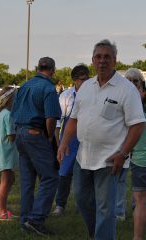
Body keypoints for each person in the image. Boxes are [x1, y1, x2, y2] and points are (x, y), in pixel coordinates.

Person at [57, 39, 145, 240]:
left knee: (106, 209)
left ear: (115, 60)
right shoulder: (86, 87)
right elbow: (74, 119)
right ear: (92, 61)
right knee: (81, 200)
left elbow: (138, 125)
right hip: (84, 157)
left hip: (110, 159)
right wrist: (63, 143)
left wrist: (123, 153)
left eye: (107, 57)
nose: (102, 61)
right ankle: (97, 234)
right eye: (98, 57)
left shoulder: (126, 89)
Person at [11, 57, 61, 236]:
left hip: (20, 133)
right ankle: (36, 219)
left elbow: (13, 111)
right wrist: (49, 137)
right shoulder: (48, 88)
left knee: (27, 180)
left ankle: (25, 219)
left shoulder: (25, 86)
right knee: (50, 177)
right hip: (35, 134)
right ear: (53, 69)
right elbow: (51, 118)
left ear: (37, 68)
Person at [52, 64, 89, 216]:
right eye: (82, 80)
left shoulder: (93, 94)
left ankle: (85, 205)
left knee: (87, 175)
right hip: (70, 141)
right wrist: (59, 144)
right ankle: (60, 205)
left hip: (87, 140)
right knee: (64, 174)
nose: (85, 82)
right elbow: (58, 123)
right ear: (74, 80)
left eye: (87, 79)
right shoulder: (66, 96)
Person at [124, 68, 146, 240]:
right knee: (140, 202)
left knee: (140, 202)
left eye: (135, 82)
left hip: (139, 160)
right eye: (128, 82)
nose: (131, 86)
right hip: (138, 160)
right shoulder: (123, 106)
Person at [0, 86, 19, 221]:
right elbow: (11, 136)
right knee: (6, 181)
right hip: (6, 153)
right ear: (10, 100)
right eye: (16, 97)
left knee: (10, 179)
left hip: (2, 152)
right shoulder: (8, 114)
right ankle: (2, 212)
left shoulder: (2, 112)